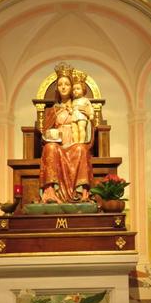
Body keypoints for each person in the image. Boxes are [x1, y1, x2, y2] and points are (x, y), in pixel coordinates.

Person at [39, 62, 94, 203]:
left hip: (74, 143)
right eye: (60, 84)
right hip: (58, 146)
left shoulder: (80, 105)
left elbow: (88, 129)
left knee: (81, 148)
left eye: (67, 84)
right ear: (57, 88)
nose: (63, 87)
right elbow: (45, 132)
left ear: (72, 88)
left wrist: (89, 116)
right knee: (50, 148)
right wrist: (50, 134)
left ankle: (81, 192)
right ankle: (51, 192)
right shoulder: (53, 110)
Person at [70, 70, 93, 144]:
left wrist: (91, 114)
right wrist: (70, 111)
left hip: (81, 116)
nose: (75, 91)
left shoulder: (85, 100)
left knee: (81, 128)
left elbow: (90, 108)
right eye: (74, 89)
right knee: (74, 130)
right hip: (74, 116)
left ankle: (81, 142)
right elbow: (72, 109)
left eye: (78, 89)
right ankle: (76, 142)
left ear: (83, 90)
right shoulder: (73, 101)